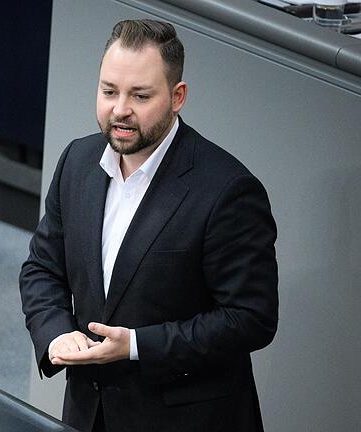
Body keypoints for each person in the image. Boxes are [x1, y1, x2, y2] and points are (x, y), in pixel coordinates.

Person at [19, 19, 278, 432]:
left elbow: (250, 318)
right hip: (90, 414)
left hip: (186, 420)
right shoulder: (78, 161)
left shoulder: (228, 190)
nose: (120, 109)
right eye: (109, 92)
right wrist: (56, 333)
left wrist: (137, 346)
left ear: (178, 97)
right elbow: (42, 268)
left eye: (140, 95)